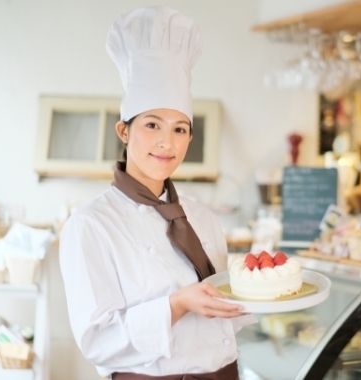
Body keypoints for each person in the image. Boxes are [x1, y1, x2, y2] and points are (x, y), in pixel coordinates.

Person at [59, 7, 255, 380]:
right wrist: (178, 303)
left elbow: (220, 319)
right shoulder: (90, 225)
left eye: (180, 129)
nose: (167, 142)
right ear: (124, 131)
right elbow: (97, 340)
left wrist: (258, 287)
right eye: (152, 125)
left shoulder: (201, 217)